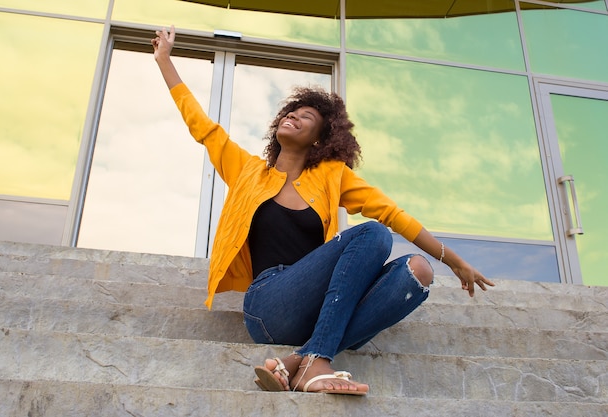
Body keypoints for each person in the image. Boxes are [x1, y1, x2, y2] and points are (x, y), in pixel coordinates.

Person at [152, 25, 495, 396]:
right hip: (269, 306)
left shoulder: (332, 176)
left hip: (318, 314)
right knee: (373, 235)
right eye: (291, 112)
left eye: (306, 117)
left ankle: (303, 360)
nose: (293, 116)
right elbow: (203, 127)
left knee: (418, 273)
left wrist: (452, 260)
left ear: (320, 138)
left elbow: (393, 214)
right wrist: (165, 61)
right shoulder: (247, 169)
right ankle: (316, 360)